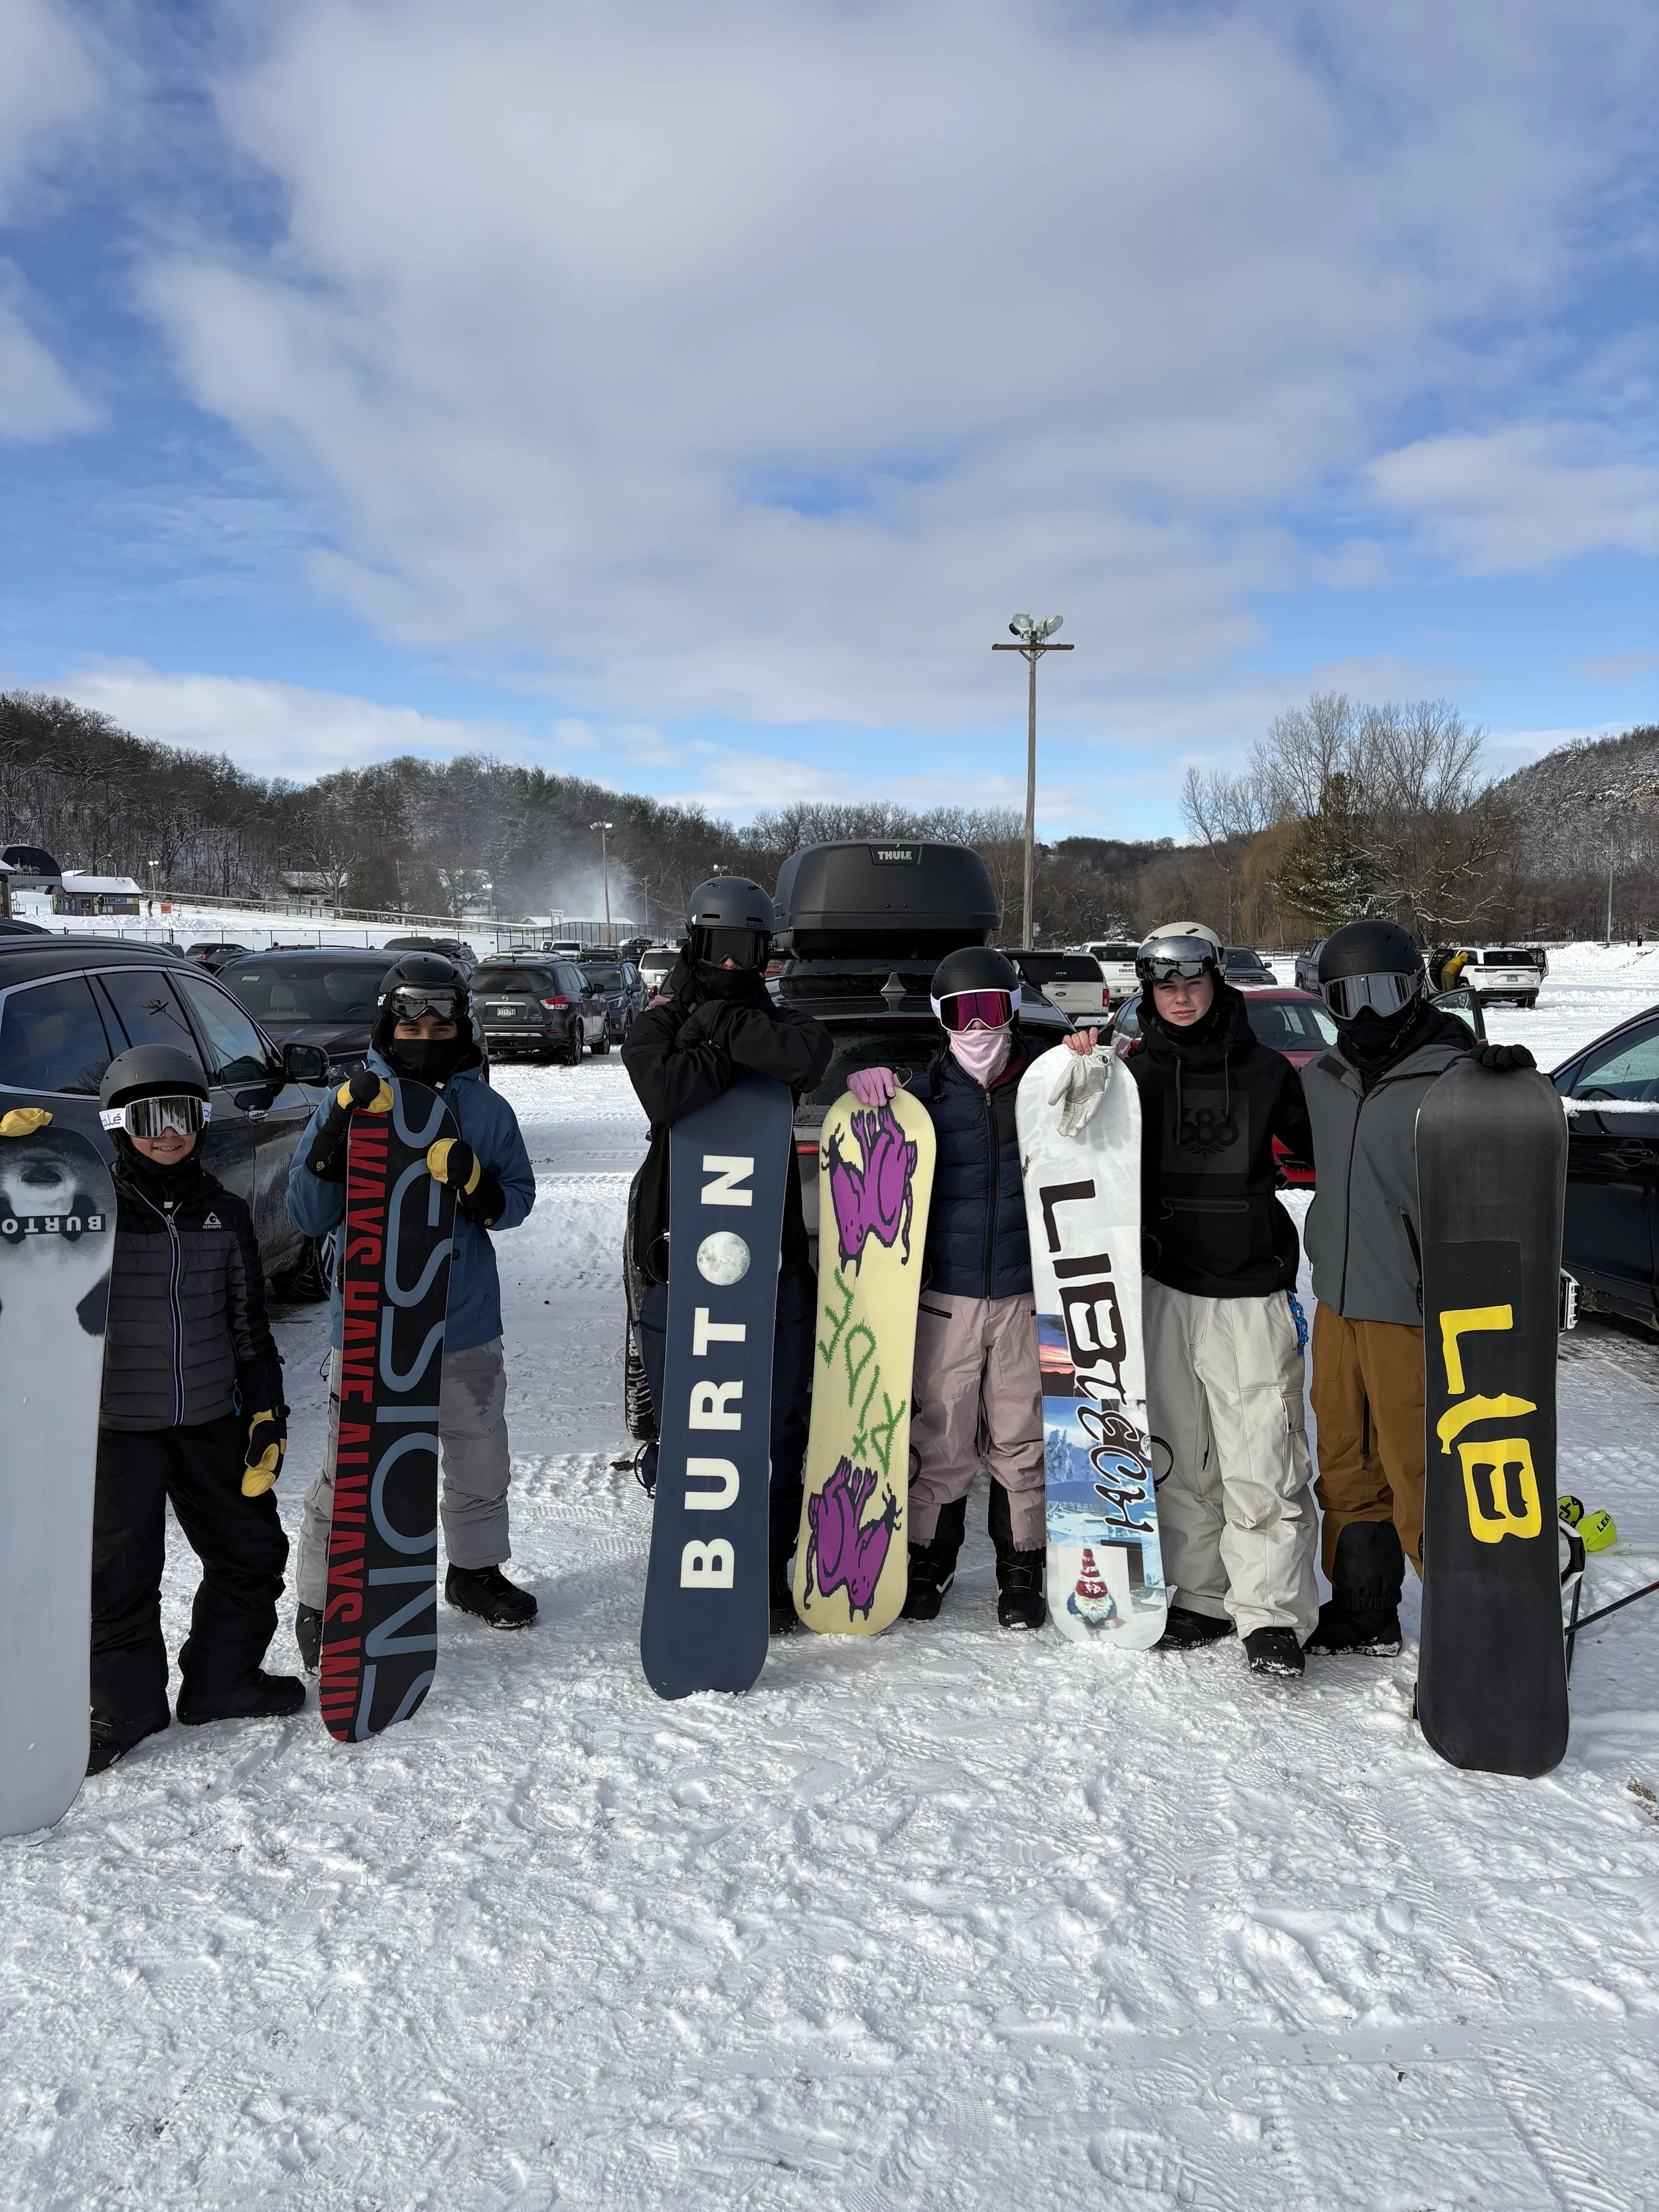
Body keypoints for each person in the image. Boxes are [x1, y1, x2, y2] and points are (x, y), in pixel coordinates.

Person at [1072, 926, 1320, 1678]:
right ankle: (1205, 1594)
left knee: (1261, 1454)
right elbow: (1062, 1139)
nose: (1179, 998)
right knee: (1180, 1456)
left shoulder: (1267, 1071)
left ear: (1216, 981)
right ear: (1147, 991)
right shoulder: (1129, 1073)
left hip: (1247, 1287)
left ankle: (1271, 1613)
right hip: (1161, 1285)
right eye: (1163, 986)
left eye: (1192, 983)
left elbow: (1325, 1143)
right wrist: (1075, 1070)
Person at [287, 952, 537, 1662]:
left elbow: (516, 1199)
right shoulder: (354, 1098)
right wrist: (334, 1137)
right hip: (373, 1320)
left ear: (462, 1024)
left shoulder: (485, 1109)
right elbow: (306, 1215)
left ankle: (475, 1571)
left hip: (461, 1317)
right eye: (410, 1018)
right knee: (353, 1465)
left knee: (479, 1454)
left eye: (441, 1020)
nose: (425, 1032)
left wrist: (478, 1188)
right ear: (387, 1020)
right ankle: (321, 1597)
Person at [1301, 920, 1533, 1655]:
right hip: (1337, 1303)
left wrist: (1508, 1088)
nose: (1367, 1015)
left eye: (1384, 994)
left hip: (1412, 1312)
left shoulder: (1456, 1078)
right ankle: (1364, 1609)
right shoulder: (1322, 1080)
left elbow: (1507, 1182)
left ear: (1415, 990)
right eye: (1348, 998)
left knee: (1421, 1472)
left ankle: (1473, 1624)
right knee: (1342, 1460)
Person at [621, 877, 832, 1633]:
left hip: (773, 1271)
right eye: (722, 950)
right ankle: (694, 1563)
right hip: (681, 1262)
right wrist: (732, 1048)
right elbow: (665, 1092)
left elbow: (806, 1059)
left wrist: (717, 1029)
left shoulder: (785, 1024)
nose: (737, 965)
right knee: (693, 1430)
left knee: (775, 1433)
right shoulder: (650, 1029)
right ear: (695, 945)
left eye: (751, 950)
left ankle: (769, 1573)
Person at [88, 1045, 301, 1773]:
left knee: (252, 1555)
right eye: (149, 1118)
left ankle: (222, 1683)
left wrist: (265, 1410)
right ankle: (126, 1708)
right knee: (118, 1575)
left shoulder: (224, 1210)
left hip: (212, 1417)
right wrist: (19, 1171)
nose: (167, 1132)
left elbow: (249, 1320)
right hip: (117, 1428)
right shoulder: (91, 1211)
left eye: (181, 1114)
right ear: (120, 1125)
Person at [844, 945, 1053, 1631]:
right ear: (941, 1019)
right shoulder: (922, 1102)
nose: (977, 1031)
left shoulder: (1046, 1090)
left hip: (1025, 1296)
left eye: (990, 1011)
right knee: (941, 1435)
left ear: (1012, 1009)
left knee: (1021, 1437)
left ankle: (1021, 1569)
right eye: (961, 1016)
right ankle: (928, 1559)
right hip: (946, 1299)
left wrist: (1090, 1061)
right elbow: (875, 1171)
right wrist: (870, 1090)